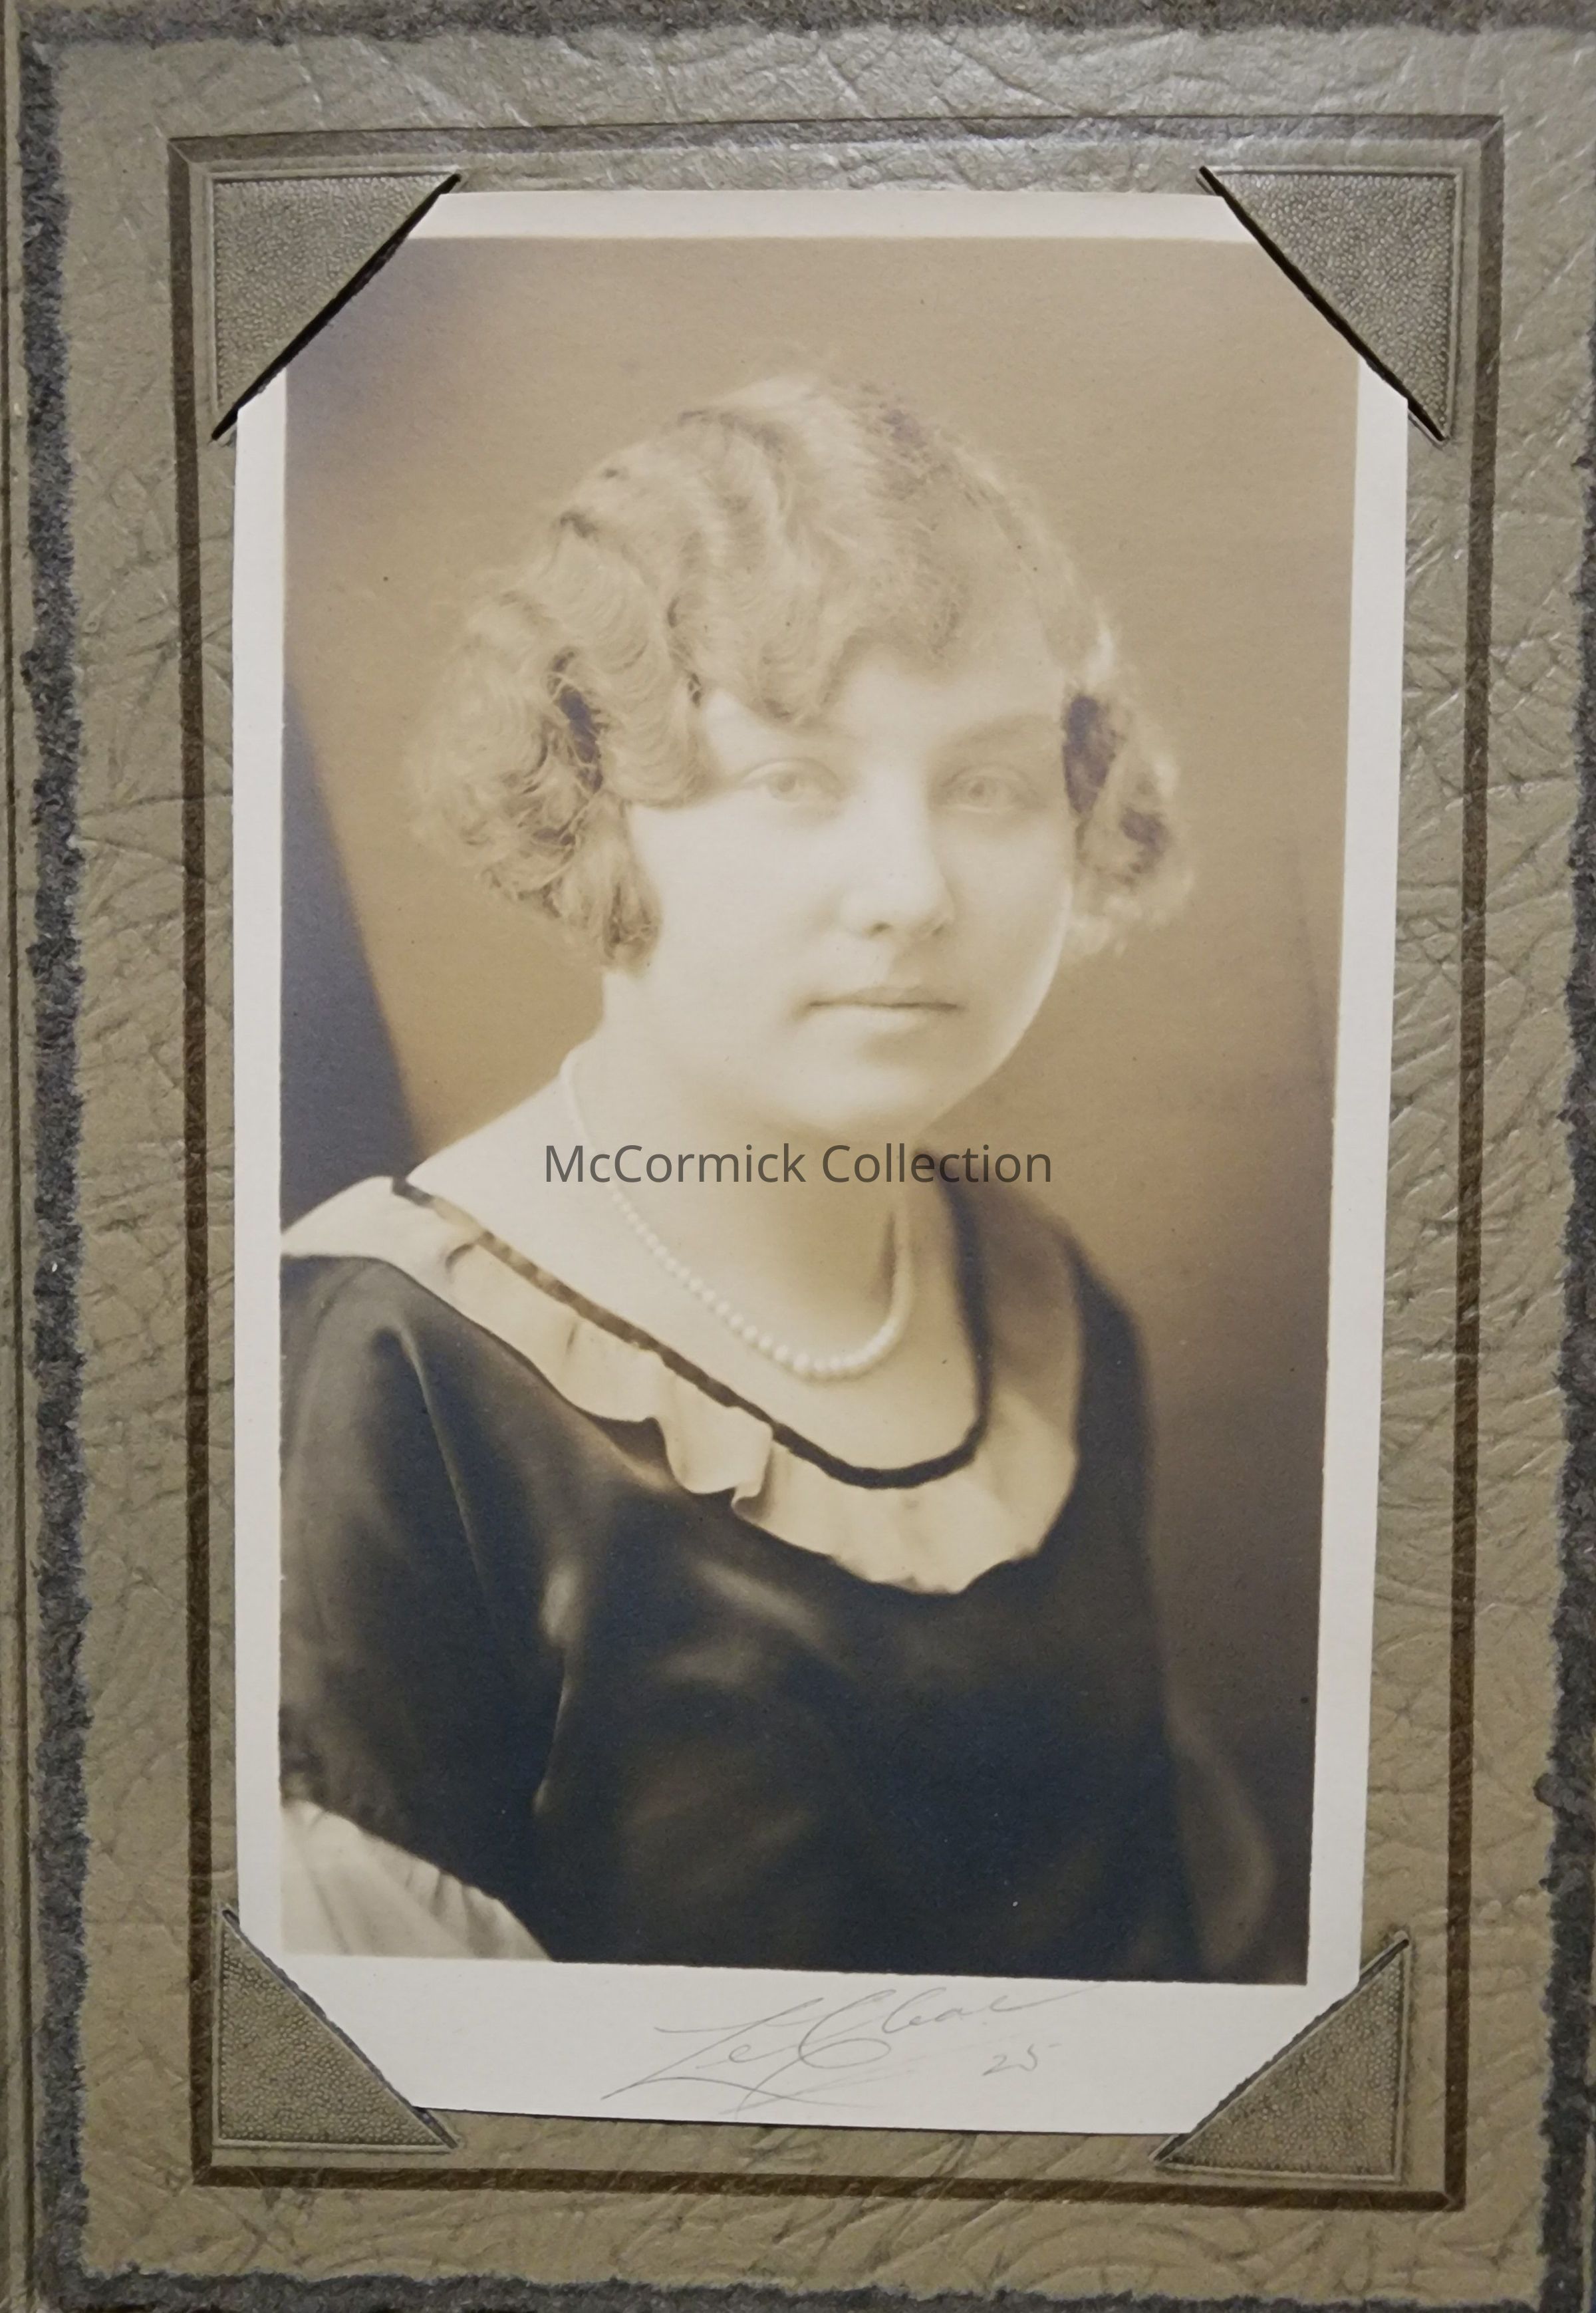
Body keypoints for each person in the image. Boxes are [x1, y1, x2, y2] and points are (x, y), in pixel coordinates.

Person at [277, 375, 1237, 1978]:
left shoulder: (1053, 1310)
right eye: (796, 781)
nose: (914, 889)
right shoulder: (381, 1383)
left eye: (990, 784)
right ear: (595, 802)